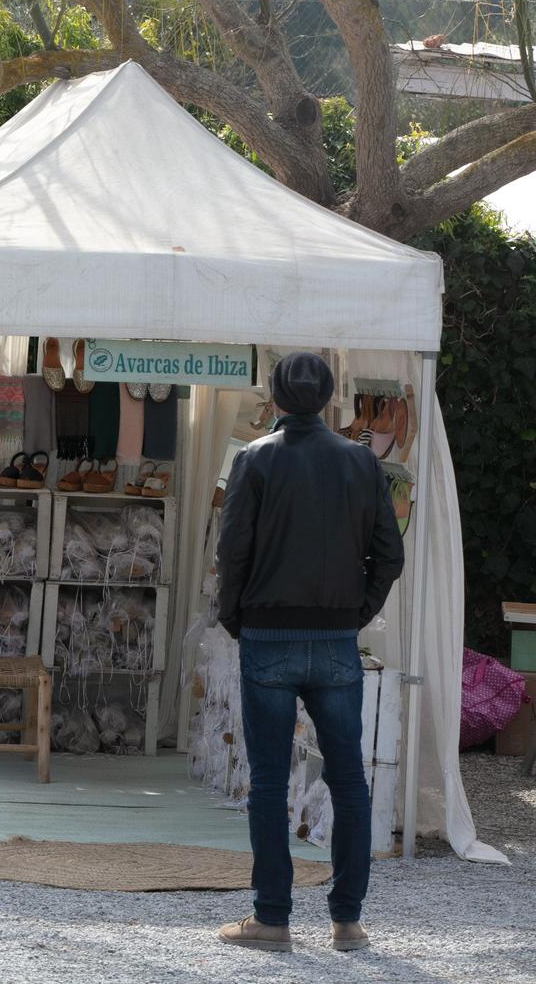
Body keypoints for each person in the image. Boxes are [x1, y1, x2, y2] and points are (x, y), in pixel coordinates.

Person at [214, 352, 404, 954]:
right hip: (335, 639)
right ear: (329, 400)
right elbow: (390, 556)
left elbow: (233, 552)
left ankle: (272, 920)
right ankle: (347, 921)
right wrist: (356, 613)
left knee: (269, 782)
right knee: (348, 779)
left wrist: (235, 618)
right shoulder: (361, 462)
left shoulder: (255, 458)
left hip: (268, 632)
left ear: (274, 397)